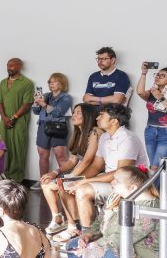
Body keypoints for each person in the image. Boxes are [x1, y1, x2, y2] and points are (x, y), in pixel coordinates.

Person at [66, 166, 167, 258]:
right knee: (72, 245)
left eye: (117, 181)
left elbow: (121, 239)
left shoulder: (150, 208)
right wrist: (86, 236)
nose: (112, 182)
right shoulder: (116, 197)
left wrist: (92, 247)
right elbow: (99, 222)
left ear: (133, 188)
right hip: (115, 248)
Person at [59, 104, 149, 245]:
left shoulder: (127, 139)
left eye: (102, 115)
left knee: (83, 190)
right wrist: (77, 179)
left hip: (127, 186)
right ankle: (75, 229)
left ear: (114, 121)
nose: (97, 118)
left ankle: (87, 235)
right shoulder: (105, 137)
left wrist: (83, 183)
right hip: (111, 181)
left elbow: (122, 173)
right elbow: (96, 165)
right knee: (66, 186)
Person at [38, 103, 103, 238]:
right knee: (46, 183)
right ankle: (58, 219)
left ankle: (73, 227)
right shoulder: (79, 133)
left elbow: (87, 161)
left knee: (64, 185)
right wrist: (55, 172)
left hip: (93, 173)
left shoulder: (95, 132)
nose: (74, 115)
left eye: (78, 113)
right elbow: (73, 161)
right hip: (80, 172)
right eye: (74, 112)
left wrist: (71, 177)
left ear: (88, 115)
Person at [0, 58, 34, 183]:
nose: (9, 67)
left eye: (12, 65)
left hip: (19, 122)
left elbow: (27, 103)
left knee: (18, 148)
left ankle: (16, 178)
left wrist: (14, 118)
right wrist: (5, 118)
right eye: (7, 65)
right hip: (4, 122)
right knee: (2, 148)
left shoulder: (27, 83)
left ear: (19, 66)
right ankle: (3, 176)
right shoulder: (2, 82)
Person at [32, 73, 73, 182]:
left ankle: (65, 183)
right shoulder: (46, 95)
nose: (51, 84)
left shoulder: (66, 97)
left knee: (61, 156)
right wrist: (36, 102)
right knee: (42, 155)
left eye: (54, 82)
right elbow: (35, 111)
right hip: (43, 126)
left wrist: (43, 104)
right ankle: (43, 181)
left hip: (58, 127)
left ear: (62, 83)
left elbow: (57, 113)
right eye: (50, 82)